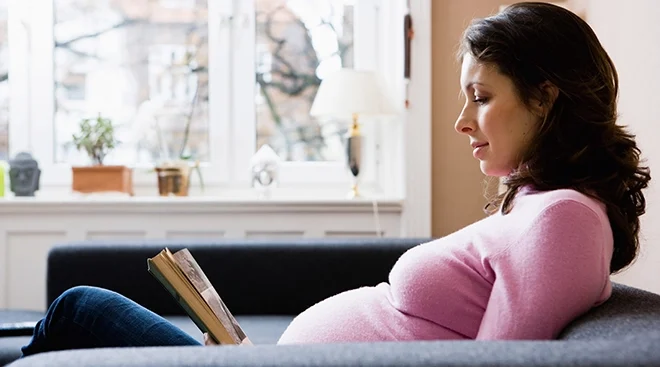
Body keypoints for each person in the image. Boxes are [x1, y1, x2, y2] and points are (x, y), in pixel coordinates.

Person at [21, 1, 651, 356]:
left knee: (80, 308)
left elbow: (492, 362)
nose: (462, 121)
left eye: (481, 97)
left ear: (546, 98)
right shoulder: (543, 206)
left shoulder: (565, 219)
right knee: (70, 315)